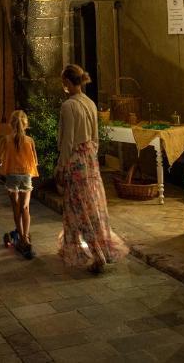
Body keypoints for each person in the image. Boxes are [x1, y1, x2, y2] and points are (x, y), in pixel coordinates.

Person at [55, 64, 129, 274]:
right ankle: (79, 248)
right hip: (89, 159)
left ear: (69, 83)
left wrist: (62, 166)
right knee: (92, 204)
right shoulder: (90, 103)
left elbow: (68, 141)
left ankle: (95, 254)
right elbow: (95, 138)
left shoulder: (69, 106)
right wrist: (90, 157)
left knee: (78, 207)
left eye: (64, 83)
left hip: (76, 160)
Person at [0, 110, 38, 258]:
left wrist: (2, 164)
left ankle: (20, 237)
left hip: (12, 177)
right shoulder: (30, 141)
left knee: (16, 208)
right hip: (26, 176)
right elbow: (35, 162)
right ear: (26, 124)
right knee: (25, 208)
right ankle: (25, 237)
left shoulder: (6, 140)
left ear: (10, 124)